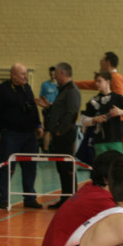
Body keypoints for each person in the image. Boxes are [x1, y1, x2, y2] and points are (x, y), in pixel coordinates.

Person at [0, 63, 43, 209]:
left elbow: (33, 108)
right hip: (10, 134)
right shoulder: (1, 90)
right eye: (22, 74)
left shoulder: (27, 88)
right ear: (13, 75)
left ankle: (30, 198)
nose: (25, 76)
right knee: (7, 166)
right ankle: (3, 198)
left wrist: (38, 124)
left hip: (29, 134)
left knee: (30, 167)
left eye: (25, 73)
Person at [36, 62, 80, 209]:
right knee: (62, 168)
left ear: (62, 73)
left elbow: (72, 113)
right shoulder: (63, 90)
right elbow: (61, 110)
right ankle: (65, 198)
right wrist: (49, 107)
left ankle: (70, 200)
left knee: (67, 168)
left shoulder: (71, 90)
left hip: (65, 134)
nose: (54, 76)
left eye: (56, 73)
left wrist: (61, 131)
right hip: (60, 134)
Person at [80, 70, 123, 156]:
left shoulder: (118, 98)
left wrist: (121, 112)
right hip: (99, 141)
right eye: (96, 81)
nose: (96, 84)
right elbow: (83, 121)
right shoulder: (93, 101)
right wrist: (94, 119)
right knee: (101, 163)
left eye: (99, 81)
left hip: (115, 140)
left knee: (118, 163)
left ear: (107, 82)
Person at [38, 66, 58, 152]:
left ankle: (55, 148)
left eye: (54, 74)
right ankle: (45, 149)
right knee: (47, 130)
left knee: (56, 129)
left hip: (57, 109)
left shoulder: (60, 85)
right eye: (51, 74)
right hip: (48, 109)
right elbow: (41, 96)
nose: (52, 76)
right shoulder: (45, 85)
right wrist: (46, 101)